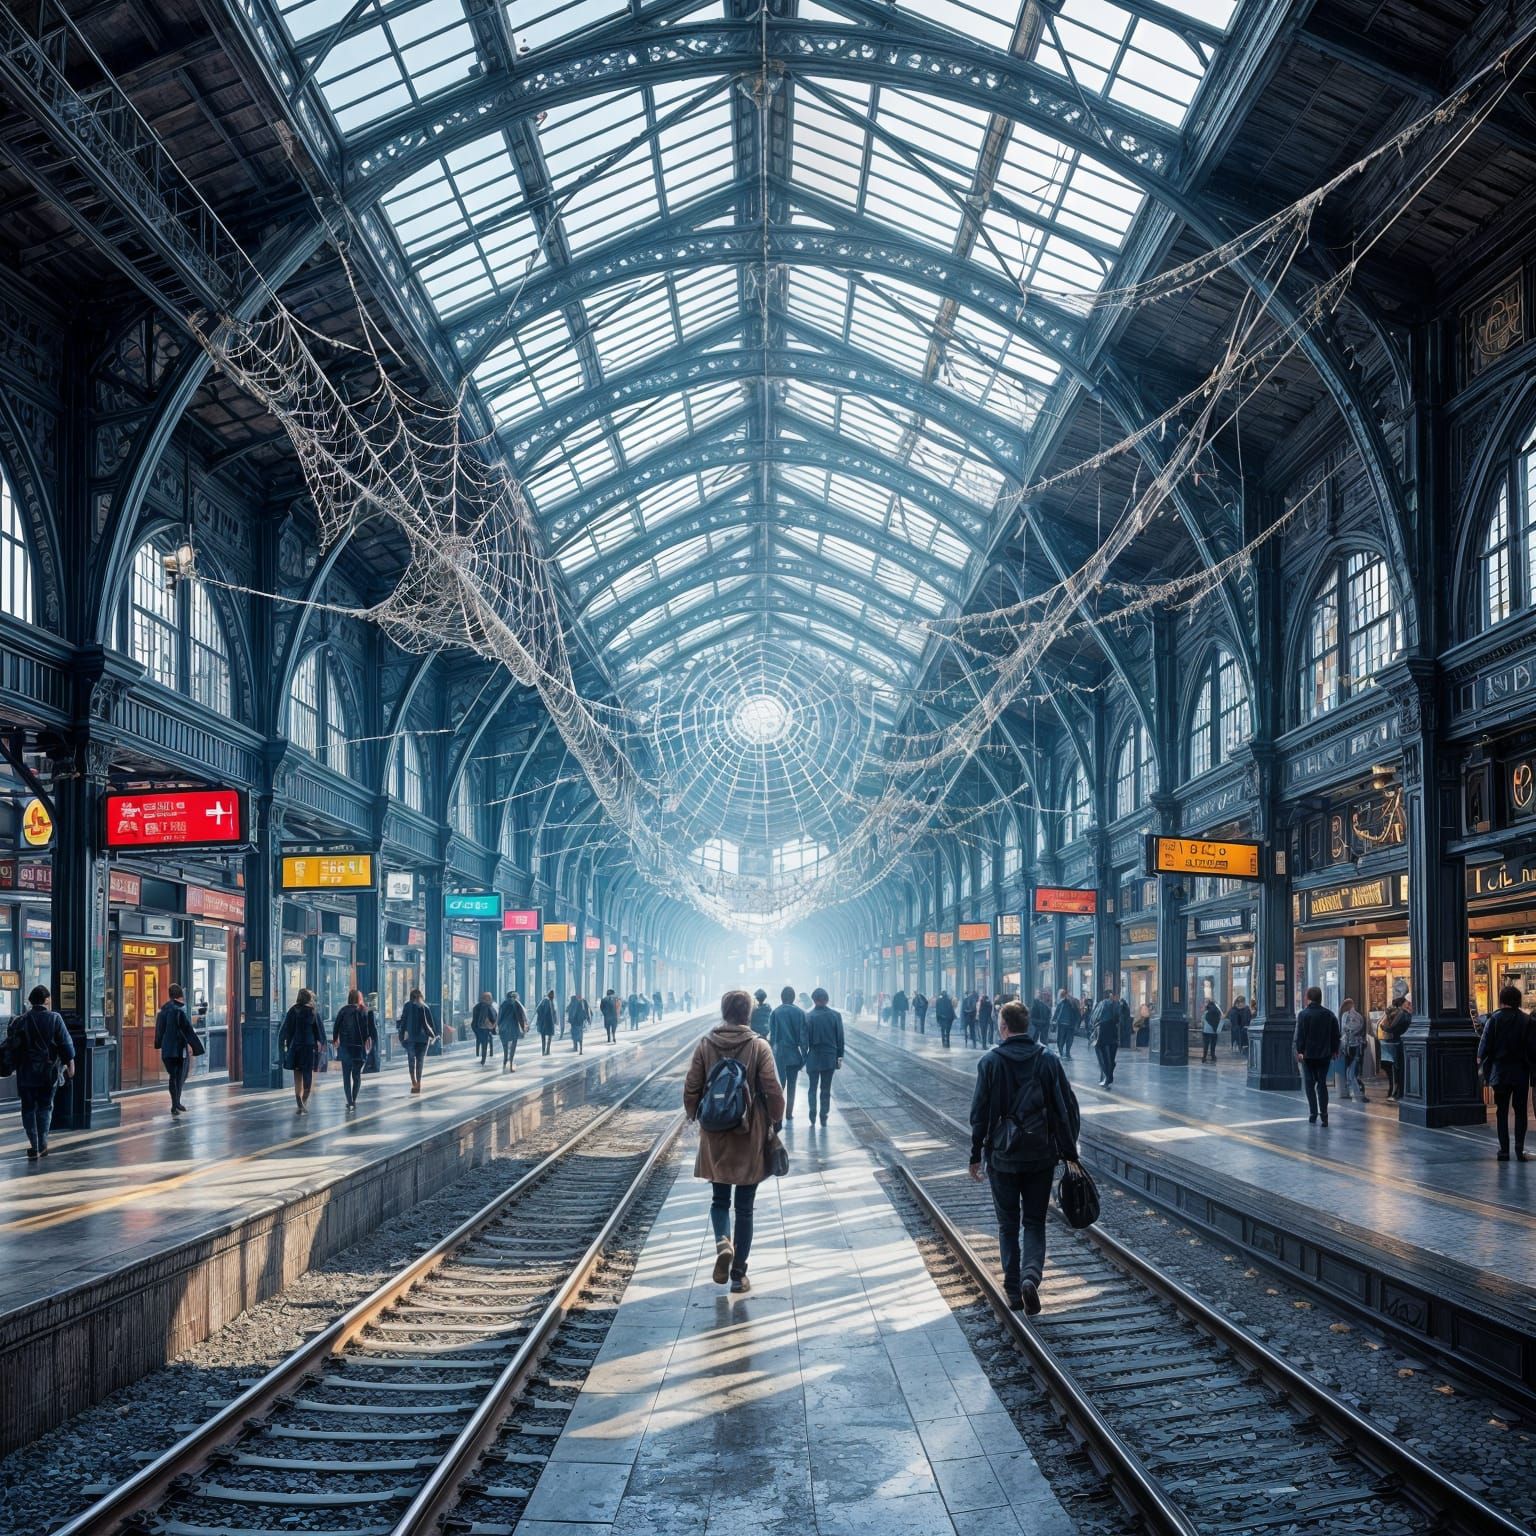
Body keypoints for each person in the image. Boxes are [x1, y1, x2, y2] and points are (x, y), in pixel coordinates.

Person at [969, 1000, 1081, 1313]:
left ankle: (1013, 1288)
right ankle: (1031, 1276)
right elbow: (1064, 1109)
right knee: (1034, 1221)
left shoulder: (989, 1061)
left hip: (1003, 1156)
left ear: (1003, 1027)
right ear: (1027, 1026)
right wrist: (1069, 1152)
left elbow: (979, 1114)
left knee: (1007, 1224)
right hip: (1041, 1155)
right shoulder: (1047, 1059)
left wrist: (975, 1153)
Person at [683, 989, 785, 1295]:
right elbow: (774, 1089)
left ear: (724, 1011)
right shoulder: (758, 1046)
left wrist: (694, 1115)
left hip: (715, 1133)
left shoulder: (705, 1044)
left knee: (719, 1199)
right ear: (748, 1014)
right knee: (745, 1207)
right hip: (749, 1133)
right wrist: (775, 1121)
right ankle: (739, 1275)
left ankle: (722, 1241)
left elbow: (691, 1087)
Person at [7, 984, 74, 1158]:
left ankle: (33, 1144)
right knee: (45, 1107)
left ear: (30, 1001)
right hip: (48, 1072)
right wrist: (70, 1065)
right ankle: (43, 1143)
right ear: (46, 1000)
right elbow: (65, 1043)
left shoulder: (20, 1020)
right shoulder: (55, 1018)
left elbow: (12, 1046)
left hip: (25, 1073)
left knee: (28, 1108)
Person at [1478, 985, 1533, 1161]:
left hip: (1500, 1071)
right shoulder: (1527, 1021)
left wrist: (1481, 1059)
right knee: (1521, 1111)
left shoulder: (1494, 1019)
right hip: (1521, 1073)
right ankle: (1519, 1149)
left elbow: (1484, 1046)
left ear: (1502, 1000)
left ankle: (1503, 1151)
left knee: (1501, 1111)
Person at [1294, 985, 1341, 1125]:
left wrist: (1300, 1051)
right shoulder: (1329, 1014)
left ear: (1307, 997)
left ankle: (1313, 1113)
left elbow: (1300, 1036)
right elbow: (1335, 1035)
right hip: (1324, 1055)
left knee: (1309, 1085)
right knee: (1322, 1084)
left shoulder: (1303, 1014)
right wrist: (1334, 1050)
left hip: (1308, 1056)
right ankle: (1324, 1115)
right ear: (1321, 998)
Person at [154, 982, 199, 1115]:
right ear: (180, 996)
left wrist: (158, 1044)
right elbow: (186, 1030)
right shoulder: (180, 1010)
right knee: (180, 1076)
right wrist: (193, 1045)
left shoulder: (163, 1010)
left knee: (172, 1076)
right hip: (178, 1050)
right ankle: (176, 1103)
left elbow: (159, 1030)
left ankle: (175, 1104)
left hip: (167, 1051)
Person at [803, 987, 845, 1127]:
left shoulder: (808, 1016)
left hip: (813, 1057)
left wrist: (804, 1057)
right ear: (827, 1000)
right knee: (825, 1089)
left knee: (812, 1088)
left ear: (814, 1000)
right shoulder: (835, 1015)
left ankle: (812, 1115)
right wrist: (839, 1057)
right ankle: (823, 1117)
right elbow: (840, 1039)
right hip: (829, 1057)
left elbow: (804, 1041)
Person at [280, 987, 324, 1113]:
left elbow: (287, 1030)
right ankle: (303, 1102)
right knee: (308, 1076)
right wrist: (320, 1045)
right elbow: (318, 1033)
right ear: (308, 998)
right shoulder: (313, 1012)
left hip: (295, 1047)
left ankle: (300, 1103)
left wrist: (285, 1046)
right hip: (308, 1048)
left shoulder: (292, 1011)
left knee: (297, 1076)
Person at [769, 985, 809, 1122]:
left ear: (782, 998)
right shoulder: (800, 1013)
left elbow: (772, 1037)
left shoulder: (775, 1012)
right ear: (793, 998)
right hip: (794, 1055)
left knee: (780, 1085)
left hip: (779, 1055)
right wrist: (804, 1056)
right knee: (792, 1085)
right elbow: (804, 1038)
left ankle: (777, 1114)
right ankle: (789, 1113)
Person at [332, 988, 374, 1110]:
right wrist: (367, 1041)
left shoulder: (343, 1011)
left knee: (346, 1076)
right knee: (356, 1075)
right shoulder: (364, 1011)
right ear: (360, 998)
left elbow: (336, 1027)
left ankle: (349, 1101)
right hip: (359, 1048)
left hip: (346, 1047)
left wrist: (336, 1039)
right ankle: (354, 1099)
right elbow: (368, 1030)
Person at [397, 987, 437, 1093]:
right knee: (420, 1061)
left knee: (411, 1060)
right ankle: (418, 1083)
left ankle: (413, 1082)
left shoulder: (407, 1006)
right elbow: (431, 1024)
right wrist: (433, 1035)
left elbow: (403, 1021)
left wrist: (401, 1036)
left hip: (411, 1038)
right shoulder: (425, 1007)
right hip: (423, 1040)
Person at [1380, 995, 1411, 1100]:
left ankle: (1397, 1093)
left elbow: (1391, 1028)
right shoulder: (1408, 1014)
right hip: (1404, 1044)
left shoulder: (1402, 1014)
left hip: (1397, 1043)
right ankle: (1399, 1092)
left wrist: (1383, 1027)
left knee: (1396, 1070)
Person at [1338, 997, 1367, 1102]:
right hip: (1357, 1046)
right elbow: (1360, 1029)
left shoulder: (1344, 1015)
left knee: (1349, 1070)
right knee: (1354, 1070)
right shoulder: (1359, 1016)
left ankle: (1353, 1092)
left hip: (1347, 1046)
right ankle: (1358, 1093)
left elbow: (1344, 1031)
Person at [1090, 991, 1119, 1088]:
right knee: (1111, 1057)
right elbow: (1118, 1018)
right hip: (1113, 1032)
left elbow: (1093, 1018)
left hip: (1101, 1032)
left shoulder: (1101, 1004)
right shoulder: (1116, 1004)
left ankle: (1106, 1077)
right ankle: (1107, 1076)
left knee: (1102, 1056)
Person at [498, 990, 527, 1071]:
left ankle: (504, 1061)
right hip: (513, 1027)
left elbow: (499, 1017)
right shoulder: (516, 1003)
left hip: (503, 1028)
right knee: (513, 1046)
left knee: (505, 1046)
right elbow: (520, 1017)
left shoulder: (503, 1004)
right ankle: (511, 1064)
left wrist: (498, 1026)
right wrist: (523, 1028)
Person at [471, 991, 497, 1066]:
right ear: (488, 999)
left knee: (481, 1040)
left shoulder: (476, 1007)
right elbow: (494, 1017)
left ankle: (480, 1054)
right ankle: (483, 1059)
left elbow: (474, 1019)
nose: (491, 1000)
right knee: (485, 1043)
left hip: (476, 1028)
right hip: (485, 1028)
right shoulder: (489, 1007)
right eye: (490, 998)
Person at [1051, 989, 1077, 1059]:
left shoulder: (1072, 1003)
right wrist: (1054, 1021)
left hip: (1068, 1025)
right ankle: (1062, 1052)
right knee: (1062, 1039)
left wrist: (1054, 1020)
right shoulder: (1063, 1003)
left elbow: (1076, 1013)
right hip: (1063, 1024)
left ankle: (1066, 1053)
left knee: (1067, 1039)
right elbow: (1057, 1012)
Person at [1200, 996, 1222, 1062]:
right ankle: (1213, 1057)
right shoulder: (1217, 1012)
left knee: (1206, 1045)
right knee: (1213, 1045)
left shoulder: (1206, 1012)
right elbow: (1220, 1019)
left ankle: (1204, 1057)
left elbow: (1202, 1021)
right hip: (1214, 1031)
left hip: (1206, 1031)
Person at [535, 990, 557, 1055]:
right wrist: (555, 1020)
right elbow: (553, 1012)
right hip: (549, 1022)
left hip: (543, 1022)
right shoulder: (550, 1001)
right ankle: (547, 1051)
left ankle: (543, 1051)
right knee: (549, 1037)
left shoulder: (544, 1001)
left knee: (543, 1037)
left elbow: (538, 1010)